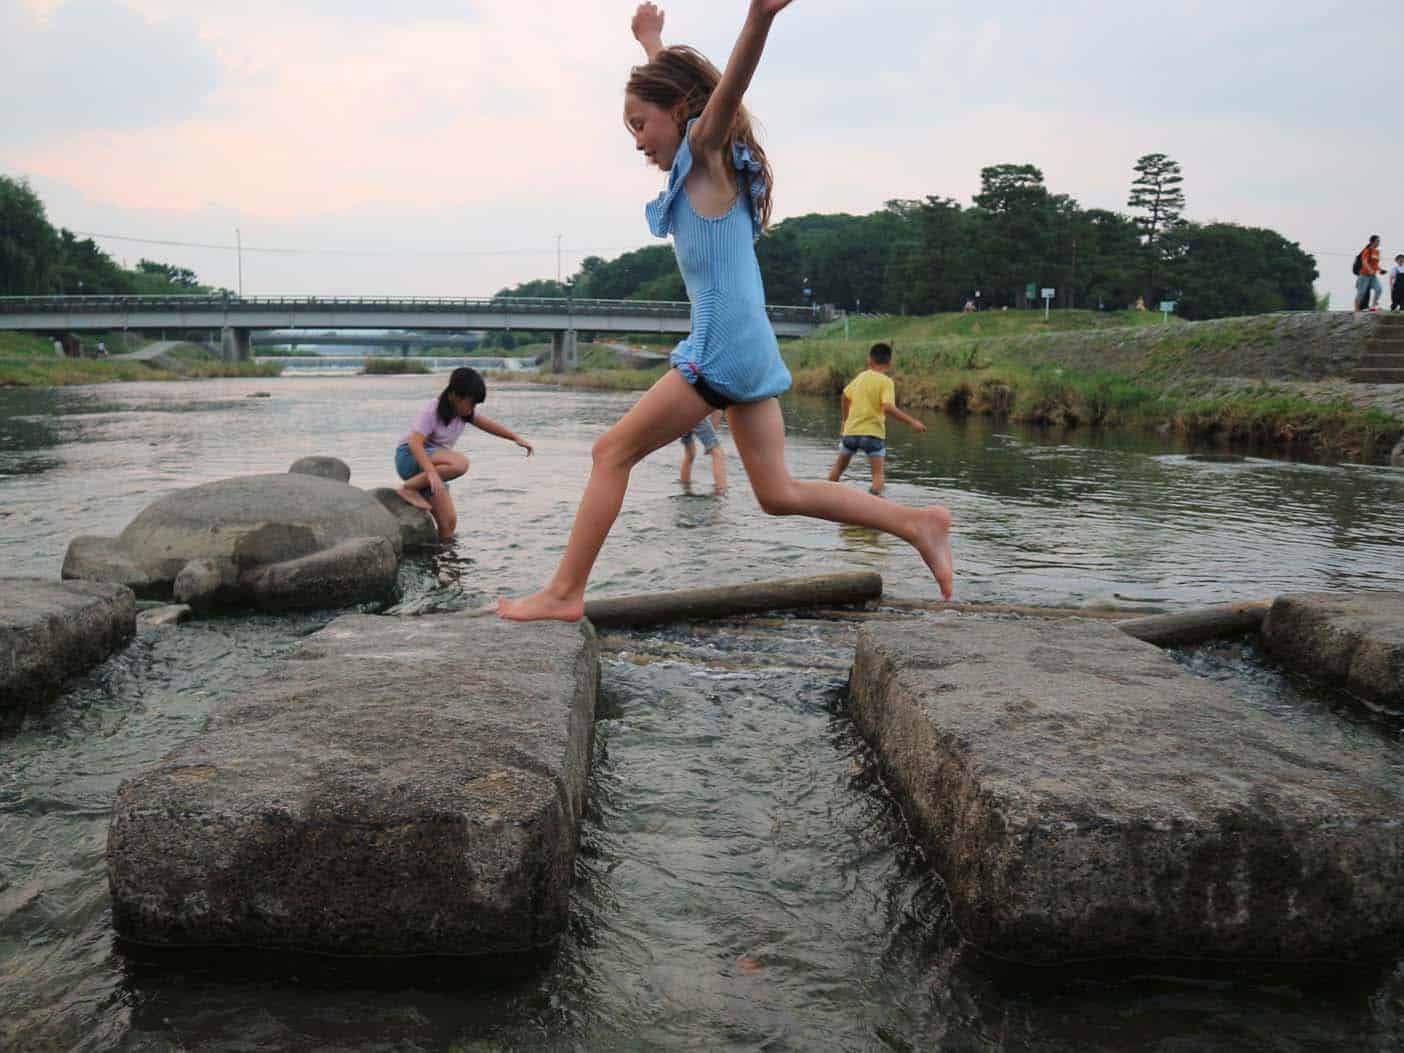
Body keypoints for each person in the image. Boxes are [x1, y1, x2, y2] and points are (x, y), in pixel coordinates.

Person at [497, 0, 953, 622]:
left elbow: (722, 93)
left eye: (638, 125)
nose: (636, 142)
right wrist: (652, 40)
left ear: (681, 114)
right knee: (778, 493)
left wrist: (759, 19)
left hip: (721, 348)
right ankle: (916, 523)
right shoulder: (705, 167)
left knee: (610, 452)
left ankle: (563, 594)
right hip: (751, 347)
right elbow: (676, 90)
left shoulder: (709, 154)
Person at [394, 366, 533, 542]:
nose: (472, 408)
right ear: (454, 395)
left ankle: (443, 565)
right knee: (460, 463)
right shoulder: (431, 409)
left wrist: (515, 438)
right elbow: (415, 443)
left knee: (449, 524)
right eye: (471, 402)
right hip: (410, 457)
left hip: (432, 468)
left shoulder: (465, 413)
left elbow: (489, 425)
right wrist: (431, 474)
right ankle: (408, 488)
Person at [828, 342, 927, 495]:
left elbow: (845, 396)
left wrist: (844, 421)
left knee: (838, 469)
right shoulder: (886, 381)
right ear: (889, 363)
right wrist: (912, 421)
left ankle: (826, 497)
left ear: (869, 361)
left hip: (851, 433)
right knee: (877, 476)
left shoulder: (860, 377)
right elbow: (887, 407)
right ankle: (874, 505)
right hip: (873, 435)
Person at [679, 409, 727, 491]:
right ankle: (721, 490)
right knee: (718, 453)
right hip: (695, 414)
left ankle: (685, 485)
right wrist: (710, 445)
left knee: (690, 453)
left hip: (680, 414)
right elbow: (718, 411)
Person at [1355, 235, 1385, 312]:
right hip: (1364, 275)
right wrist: (1370, 269)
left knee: (1379, 289)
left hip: (1373, 276)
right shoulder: (1367, 250)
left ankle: (1373, 306)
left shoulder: (1377, 251)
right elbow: (1364, 262)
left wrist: (1380, 270)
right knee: (1361, 292)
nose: (1379, 242)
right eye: (1377, 241)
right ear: (1372, 242)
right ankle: (1356, 308)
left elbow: (1376, 264)